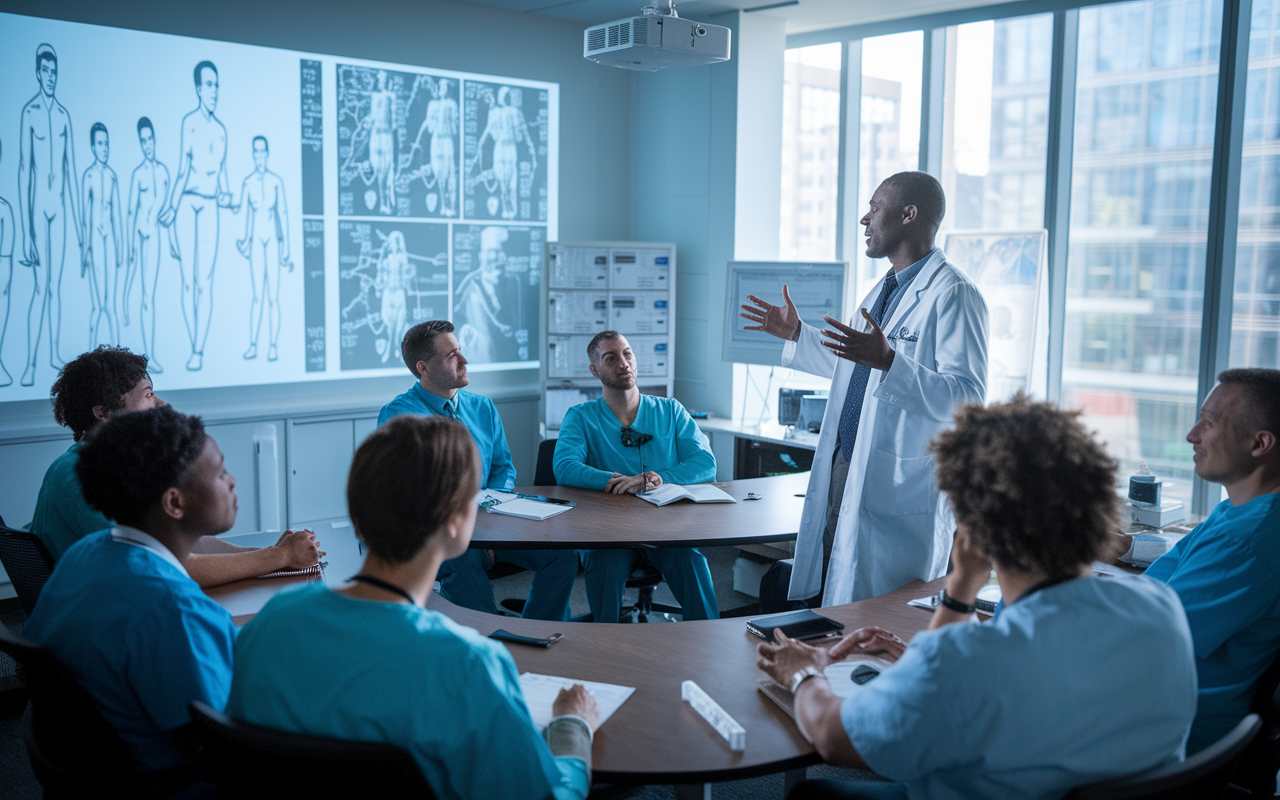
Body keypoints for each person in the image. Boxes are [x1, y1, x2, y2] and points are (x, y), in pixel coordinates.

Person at [757, 395, 1197, 800]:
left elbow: (834, 739)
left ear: (970, 526)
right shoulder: (1160, 607)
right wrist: (933, 646)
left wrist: (804, 674)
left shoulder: (965, 662)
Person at [227, 414, 598, 800]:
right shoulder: (470, 665)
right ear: (457, 522)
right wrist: (572, 726)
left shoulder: (270, 624)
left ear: (356, 514)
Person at [741, 170, 988, 605]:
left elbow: (966, 399)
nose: (864, 219)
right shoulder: (881, 291)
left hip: (898, 480)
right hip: (846, 465)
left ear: (909, 214)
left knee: (880, 615)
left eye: (875, 207)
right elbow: (851, 366)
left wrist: (889, 361)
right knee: (836, 599)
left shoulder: (954, 294)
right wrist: (798, 335)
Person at [25, 406, 240, 775]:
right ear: (174, 502)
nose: (232, 481)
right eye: (220, 471)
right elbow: (224, 735)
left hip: (92, 770)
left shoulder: (85, 553)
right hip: (179, 779)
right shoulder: (172, 606)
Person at [29, 346, 322, 585]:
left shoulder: (95, 466)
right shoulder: (80, 479)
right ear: (103, 412)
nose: (162, 404)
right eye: (147, 395)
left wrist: (272, 554)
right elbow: (172, 568)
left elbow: (178, 544)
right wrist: (276, 559)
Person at [378, 320, 578, 621]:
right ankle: (488, 640)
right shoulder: (399, 415)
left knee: (561, 557)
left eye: (460, 351)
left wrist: (490, 519)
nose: (465, 360)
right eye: (452, 356)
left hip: (489, 520)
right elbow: (408, 491)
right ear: (424, 368)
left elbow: (503, 466)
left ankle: (533, 636)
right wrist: (472, 531)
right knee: (465, 557)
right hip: (435, 530)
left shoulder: (482, 407)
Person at [1142, 368, 1280, 754]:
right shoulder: (1240, 511)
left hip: (1174, 722)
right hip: (1157, 688)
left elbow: (1145, 637)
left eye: (1210, 422)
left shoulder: (1248, 539)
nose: (1192, 435)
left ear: (1260, 444)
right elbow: (1166, 575)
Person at [553, 331, 719, 623]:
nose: (623, 363)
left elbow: (705, 463)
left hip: (665, 529)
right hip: (607, 532)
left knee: (692, 562)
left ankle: (711, 642)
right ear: (595, 369)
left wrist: (655, 479)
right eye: (611, 357)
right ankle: (604, 651)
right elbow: (565, 466)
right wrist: (616, 482)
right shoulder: (580, 416)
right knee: (605, 568)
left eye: (627, 354)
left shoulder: (671, 410)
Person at [160, 60, 233, 372]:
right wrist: (171, 206)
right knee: (189, 282)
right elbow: (181, 170)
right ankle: (192, 346)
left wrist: (229, 196)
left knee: (205, 281)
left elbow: (224, 176)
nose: (214, 90)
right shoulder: (189, 123)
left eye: (217, 84)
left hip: (210, 206)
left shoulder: (221, 130)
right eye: (209, 84)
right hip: (187, 204)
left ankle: (200, 350)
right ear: (198, 88)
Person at [18, 44, 82, 385]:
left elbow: (71, 172)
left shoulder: (63, 116)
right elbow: (24, 170)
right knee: (40, 288)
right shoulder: (29, 112)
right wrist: (27, 230)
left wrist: (80, 226)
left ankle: (54, 353)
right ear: (37, 73)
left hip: (59, 207)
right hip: (38, 206)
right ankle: (30, 364)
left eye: (55, 71)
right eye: (46, 71)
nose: (51, 77)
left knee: (55, 286)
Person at [235, 136, 292, 362]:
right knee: (257, 296)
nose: (259, 157)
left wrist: (286, 247)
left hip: (273, 241)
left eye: (262, 152)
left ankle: (273, 346)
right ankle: (253, 345)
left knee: (273, 297)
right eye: (255, 153)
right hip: (257, 240)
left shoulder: (276, 181)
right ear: (253, 155)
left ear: (267, 154)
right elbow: (245, 215)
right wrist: (244, 240)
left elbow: (283, 213)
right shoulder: (248, 182)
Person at [123, 117, 171, 372]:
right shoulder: (138, 174)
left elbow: (167, 213)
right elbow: (131, 212)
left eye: (150, 139)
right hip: (141, 238)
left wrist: (172, 242)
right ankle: (146, 357)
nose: (147, 144)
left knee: (151, 295)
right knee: (144, 296)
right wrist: (130, 245)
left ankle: (150, 354)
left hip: (157, 238)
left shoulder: (163, 172)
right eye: (143, 141)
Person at [81, 122, 123, 347]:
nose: (104, 148)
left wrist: (119, 248)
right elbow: (84, 216)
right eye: (100, 143)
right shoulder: (88, 176)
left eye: (106, 143)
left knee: (111, 305)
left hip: (109, 242)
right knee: (98, 305)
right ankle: (88, 359)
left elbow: (116, 214)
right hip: (95, 241)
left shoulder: (112, 176)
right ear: (92, 146)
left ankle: (119, 358)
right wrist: (84, 249)